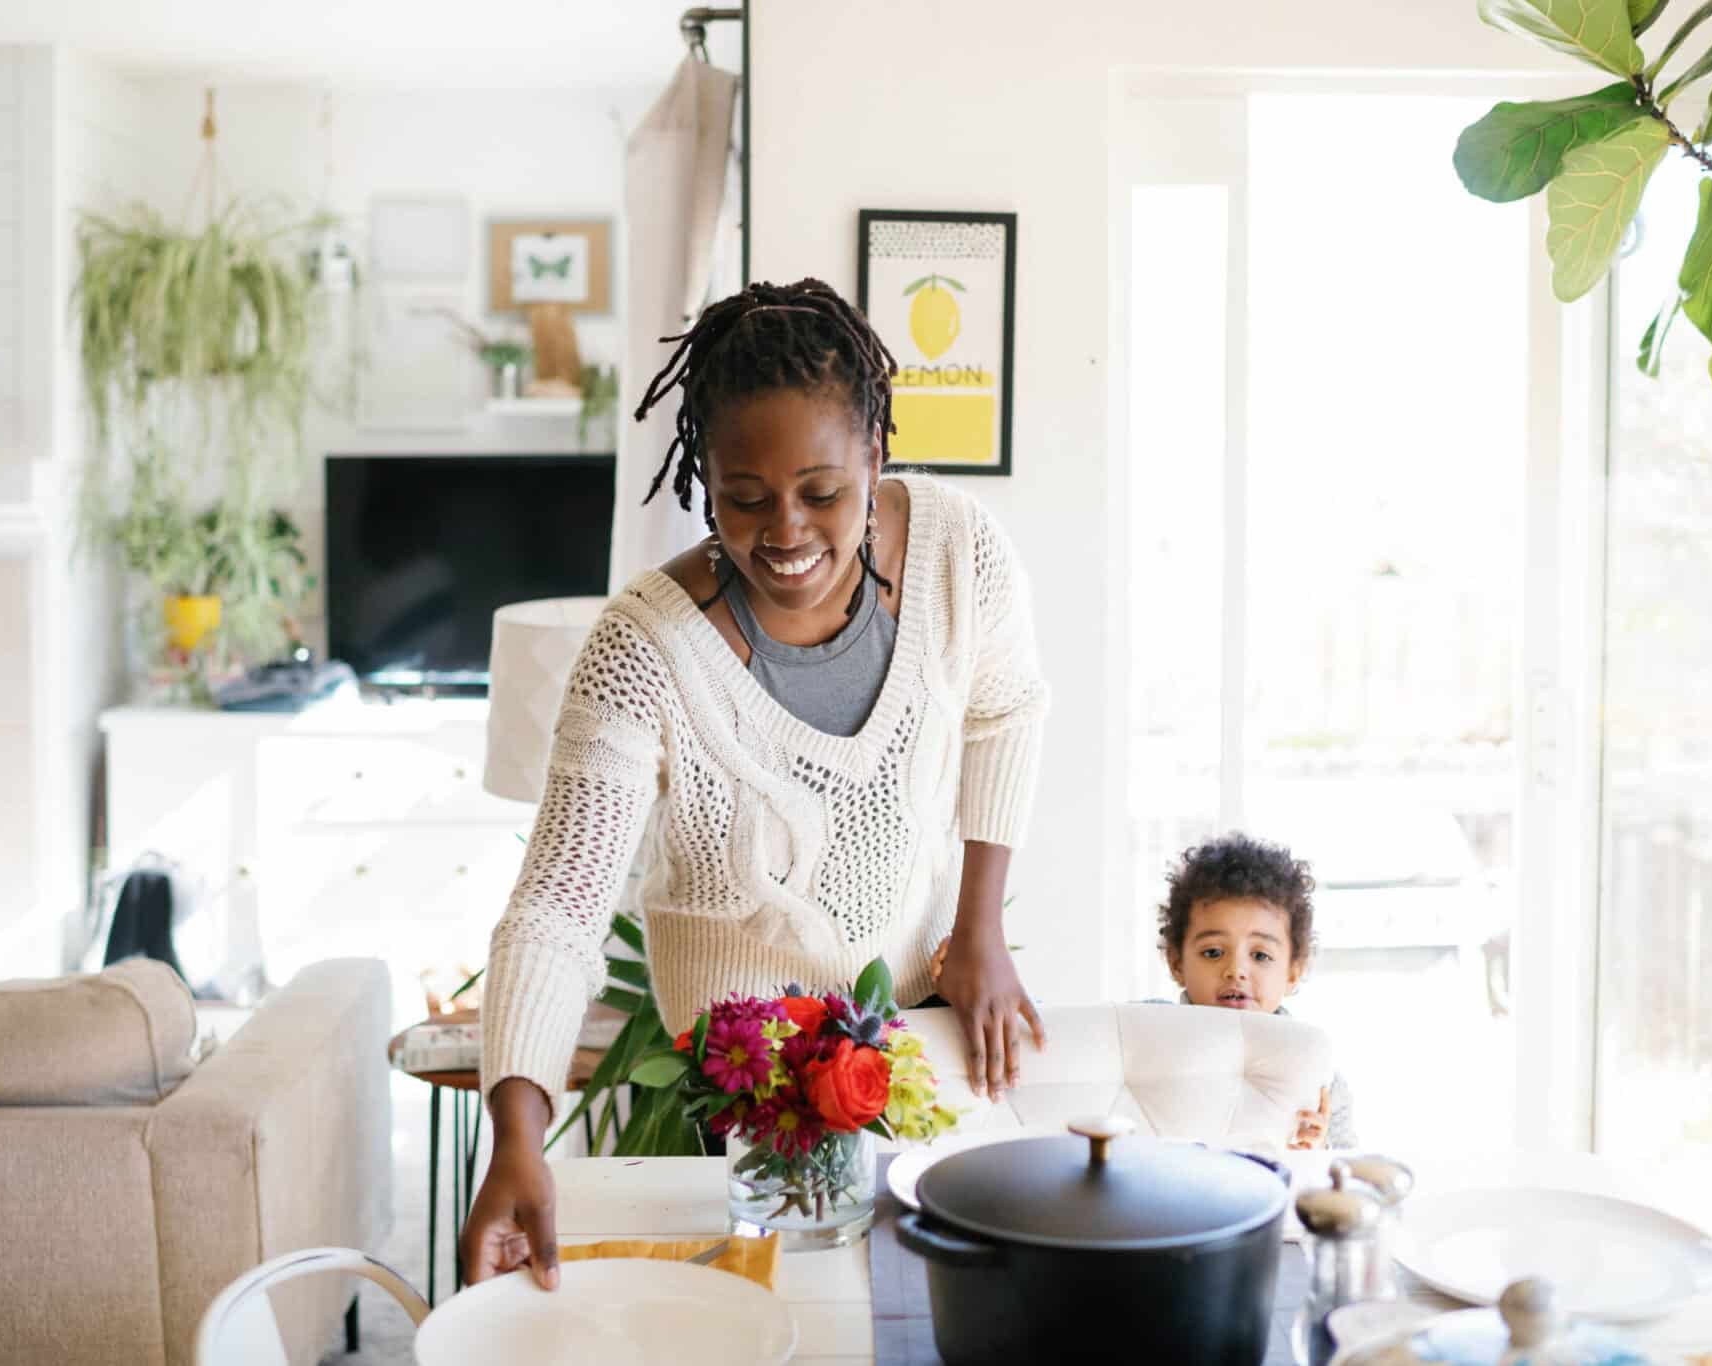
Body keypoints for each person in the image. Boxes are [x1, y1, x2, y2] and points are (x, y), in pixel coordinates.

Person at [462, 278, 1051, 1289]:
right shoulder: (640, 650)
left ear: (875, 454)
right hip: (735, 1097)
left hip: (901, 1037)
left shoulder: (961, 554)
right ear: (705, 480)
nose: (783, 531)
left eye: (821, 492)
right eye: (744, 497)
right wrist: (514, 1126)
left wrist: (980, 932)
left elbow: (1007, 710)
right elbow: (557, 906)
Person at [1153, 832, 1356, 1150]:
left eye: (1260, 956)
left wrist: (1318, 1149)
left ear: (1293, 972)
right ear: (1176, 962)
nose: (1236, 970)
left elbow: (1347, 1172)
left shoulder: (1317, 1074)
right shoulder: (1143, 1034)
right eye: (1213, 953)